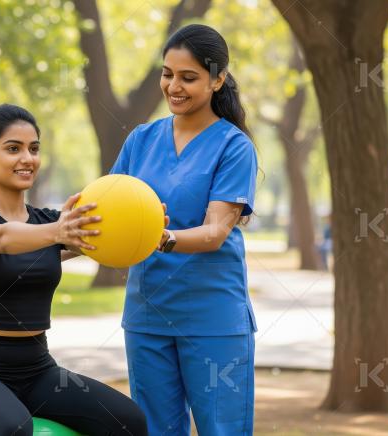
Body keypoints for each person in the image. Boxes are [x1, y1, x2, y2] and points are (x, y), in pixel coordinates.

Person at [0, 104, 148, 436]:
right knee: (14, 428)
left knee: (129, 420)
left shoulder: (49, 223)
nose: (27, 158)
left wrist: (148, 229)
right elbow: (3, 239)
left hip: (37, 370)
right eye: (13, 148)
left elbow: (106, 240)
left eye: (34, 149)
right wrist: (57, 232)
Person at [109, 24, 259, 435]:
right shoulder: (140, 140)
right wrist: (55, 235)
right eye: (167, 74)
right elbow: (109, 214)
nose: (174, 86)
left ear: (218, 79)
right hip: (147, 315)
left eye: (188, 77)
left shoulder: (234, 146)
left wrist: (159, 238)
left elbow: (214, 233)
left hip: (212, 319)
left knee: (221, 428)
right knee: (155, 429)